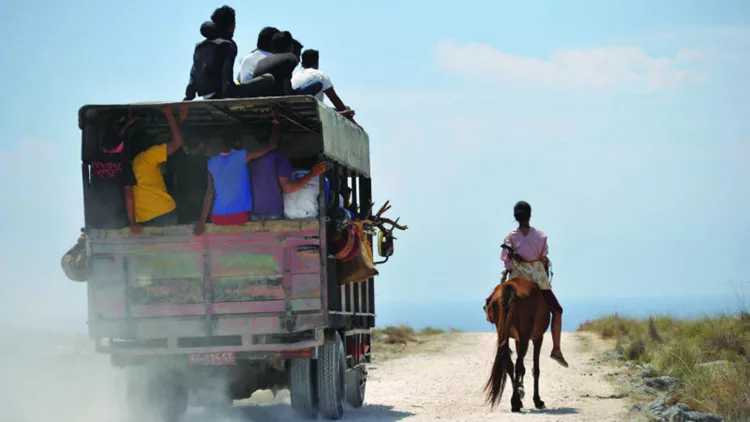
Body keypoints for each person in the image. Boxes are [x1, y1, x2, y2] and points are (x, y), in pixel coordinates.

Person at [498, 201, 568, 368]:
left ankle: (501, 340)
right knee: (557, 310)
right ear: (530, 215)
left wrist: (509, 268)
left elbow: (506, 260)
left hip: (517, 277)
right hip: (538, 277)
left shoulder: (509, 237)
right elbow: (543, 257)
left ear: (515, 217)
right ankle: (556, 349)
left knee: (498, 304)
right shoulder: (541, 236)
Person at [193, 123, 279, 235]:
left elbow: (209, 193)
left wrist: (202, 222)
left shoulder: (211, 162)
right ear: (238, 141)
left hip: (217, 217)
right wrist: (276, 123)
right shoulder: (242, 156)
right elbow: (272, 146)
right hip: (240, 217)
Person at [247, 118, 327, 221]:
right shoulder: (278, 158)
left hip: (253, 213)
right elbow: (288, 188)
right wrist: (312, 173)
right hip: (272, 212)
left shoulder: (249, 158)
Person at [131, 105, 188, 231]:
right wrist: (169, 115)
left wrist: (180, 119)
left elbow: (171, 142)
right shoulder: (148, 156)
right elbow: (176, 143)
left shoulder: (131, 162)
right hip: (163, 212)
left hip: (143, 218)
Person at [86, 116, 138, 231]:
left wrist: (126, 126)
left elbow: (114, 141)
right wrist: (132, 222)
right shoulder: (124, 166)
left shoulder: (95, 159)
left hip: (96, 216)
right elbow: (128, 196)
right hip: (116, 216)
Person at [184, 6, 238, 100]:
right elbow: (227, 77)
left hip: (206, 96)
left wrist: (188, 97)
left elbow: (193, 73)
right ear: (232, 25)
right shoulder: (227, 45)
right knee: (267, 79)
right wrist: (227, 101)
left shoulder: (200, 46)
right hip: (220, 95)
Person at [165, 137, 208, 224]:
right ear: (202, 144)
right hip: (201, 208)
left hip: (183, 207)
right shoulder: (207, 162)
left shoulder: (179, 162)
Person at [252, 31, 299, 96]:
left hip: (260, 100)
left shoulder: (261, 61)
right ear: (291, 46)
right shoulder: (289, 57)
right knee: (316, 83)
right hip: (277, 100)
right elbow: (286, 85)